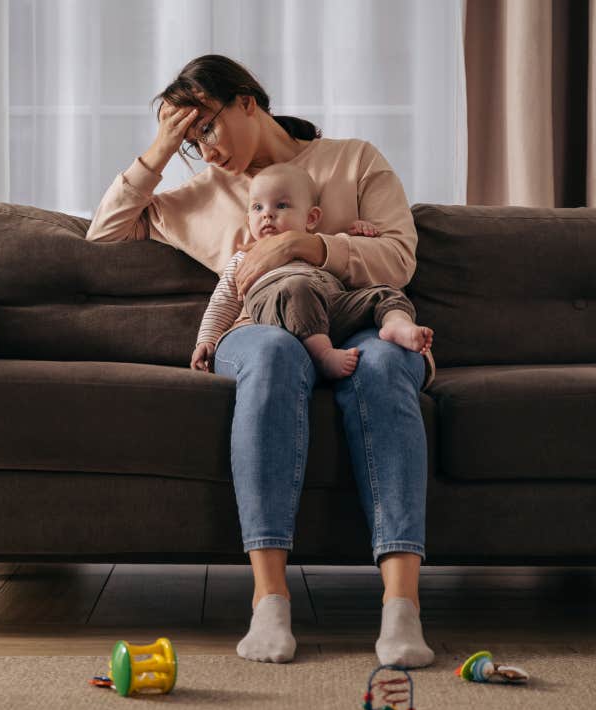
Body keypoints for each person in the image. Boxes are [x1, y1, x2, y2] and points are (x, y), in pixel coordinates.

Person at [86, 54, 435, 668]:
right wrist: (162, 150)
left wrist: (309, 244)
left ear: (248, 101)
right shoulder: (201, 196)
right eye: (193, 138)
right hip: (261, 328)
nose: (205, 147)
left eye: (207, 127)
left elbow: (399, 258)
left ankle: (401, 607)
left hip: (358, 319)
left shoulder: (353, 159)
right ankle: (269, 600)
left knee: (381, 365)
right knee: (273, 352)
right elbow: (105, 233)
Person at [189, 162, 434, 380]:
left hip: (330, 309)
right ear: (248, 220)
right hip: (280, 311)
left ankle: (396, 325)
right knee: (297, 287)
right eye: (257, 208)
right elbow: (222, 301)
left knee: (385, 293)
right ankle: (323, 355)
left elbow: (353, 262)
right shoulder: (244, 257)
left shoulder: (321, 244)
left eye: (281, 205)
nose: (267, 214)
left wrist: (361, 233)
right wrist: (206, 340)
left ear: (311, 218)